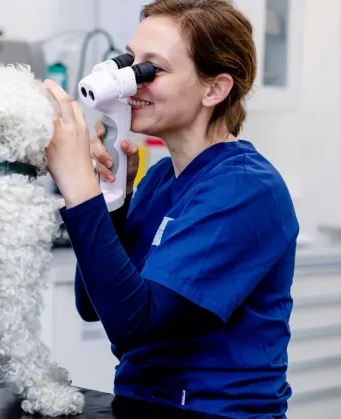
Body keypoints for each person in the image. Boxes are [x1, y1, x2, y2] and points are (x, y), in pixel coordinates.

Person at [43, 0, 299, 418]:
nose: (130, 82)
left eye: (151, 70)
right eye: (129, 62)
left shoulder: (245, 188)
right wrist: (111, 204)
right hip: (140, 401)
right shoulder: (162, 178)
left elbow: (135, 324)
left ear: (214, 89)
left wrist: (79, 190)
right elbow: (94, 307)